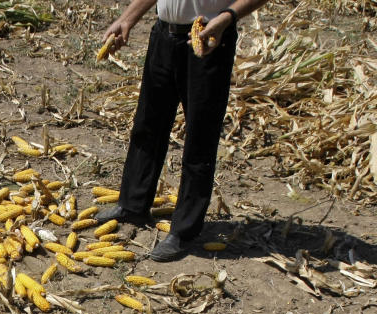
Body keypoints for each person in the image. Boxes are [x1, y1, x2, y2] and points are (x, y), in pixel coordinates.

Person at [96, 0, 270, 262]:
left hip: (209, 38)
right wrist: (128, 18)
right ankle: (133, 205)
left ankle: (184, 231)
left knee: (200, 136)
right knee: (148, 124)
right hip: (164, 35)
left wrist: (227, 17)